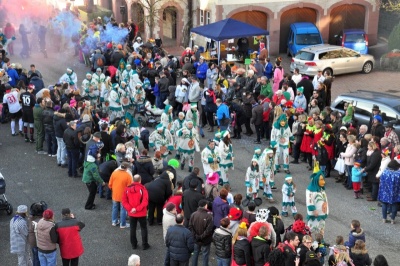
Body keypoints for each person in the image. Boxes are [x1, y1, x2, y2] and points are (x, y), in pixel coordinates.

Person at [122, 174, 150, 250]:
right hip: (141, 213)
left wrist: (131, 209)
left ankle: (134, 244)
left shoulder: (127, 189)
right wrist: (137, 209)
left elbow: (124, 201)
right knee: (143, 228)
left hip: (131, 213)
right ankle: (145, 244)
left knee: (132, 228)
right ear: (140, 180)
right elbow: (145, 202)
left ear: (133, 180)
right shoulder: (143, 189)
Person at [189, 200, 214, 266]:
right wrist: (202, 236)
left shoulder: (193, 214)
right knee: (205, 255)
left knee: (195, 253)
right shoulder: (209, 216)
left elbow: (190, 226)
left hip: (196, 239)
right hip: (205, 240)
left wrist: (195, 235)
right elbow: (209, 230)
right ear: (205, 205)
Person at [109, 162, 133, 228]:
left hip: (115, 194)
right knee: (123, 209)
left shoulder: (114, 173)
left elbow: (110, 184)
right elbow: (130, 187)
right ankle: (123, 224)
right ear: (126, 168)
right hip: (123, 196)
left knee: (114, 207)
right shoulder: (127, 175)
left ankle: (114, 221)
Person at [306, 166, 329, 234]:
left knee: (321, 227)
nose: (323, 182)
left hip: (322, 212)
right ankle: (310, 241)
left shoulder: (321, 189)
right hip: (315, 214)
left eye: (323, 179)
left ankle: (320, 241)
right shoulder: (311, 190)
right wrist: (313, 210)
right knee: (313, 228)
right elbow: (309, 200)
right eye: (321, 180)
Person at [82, 144, 105, 210]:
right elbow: (96, 176)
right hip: (90, 181)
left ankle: (91, 203)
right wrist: (102, 182)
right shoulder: (93, 166)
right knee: (92, 193)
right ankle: (88, 206)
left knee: (91, 193)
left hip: (87, 179)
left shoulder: (87, 162)